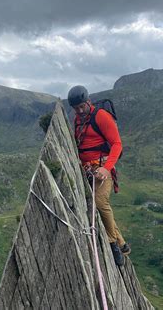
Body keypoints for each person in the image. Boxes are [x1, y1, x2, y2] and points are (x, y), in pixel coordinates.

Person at [68, 85, 130, 266]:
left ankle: (112, 243)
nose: (79, 111)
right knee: (96, 204)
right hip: (87, 169)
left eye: (82, 106)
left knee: (100, 202)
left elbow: (117, 144)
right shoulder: (78, 120)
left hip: (102, 168)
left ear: (88, 101)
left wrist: (107, 168)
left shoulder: (101, 116)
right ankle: (123, 243)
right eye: (76, 108)